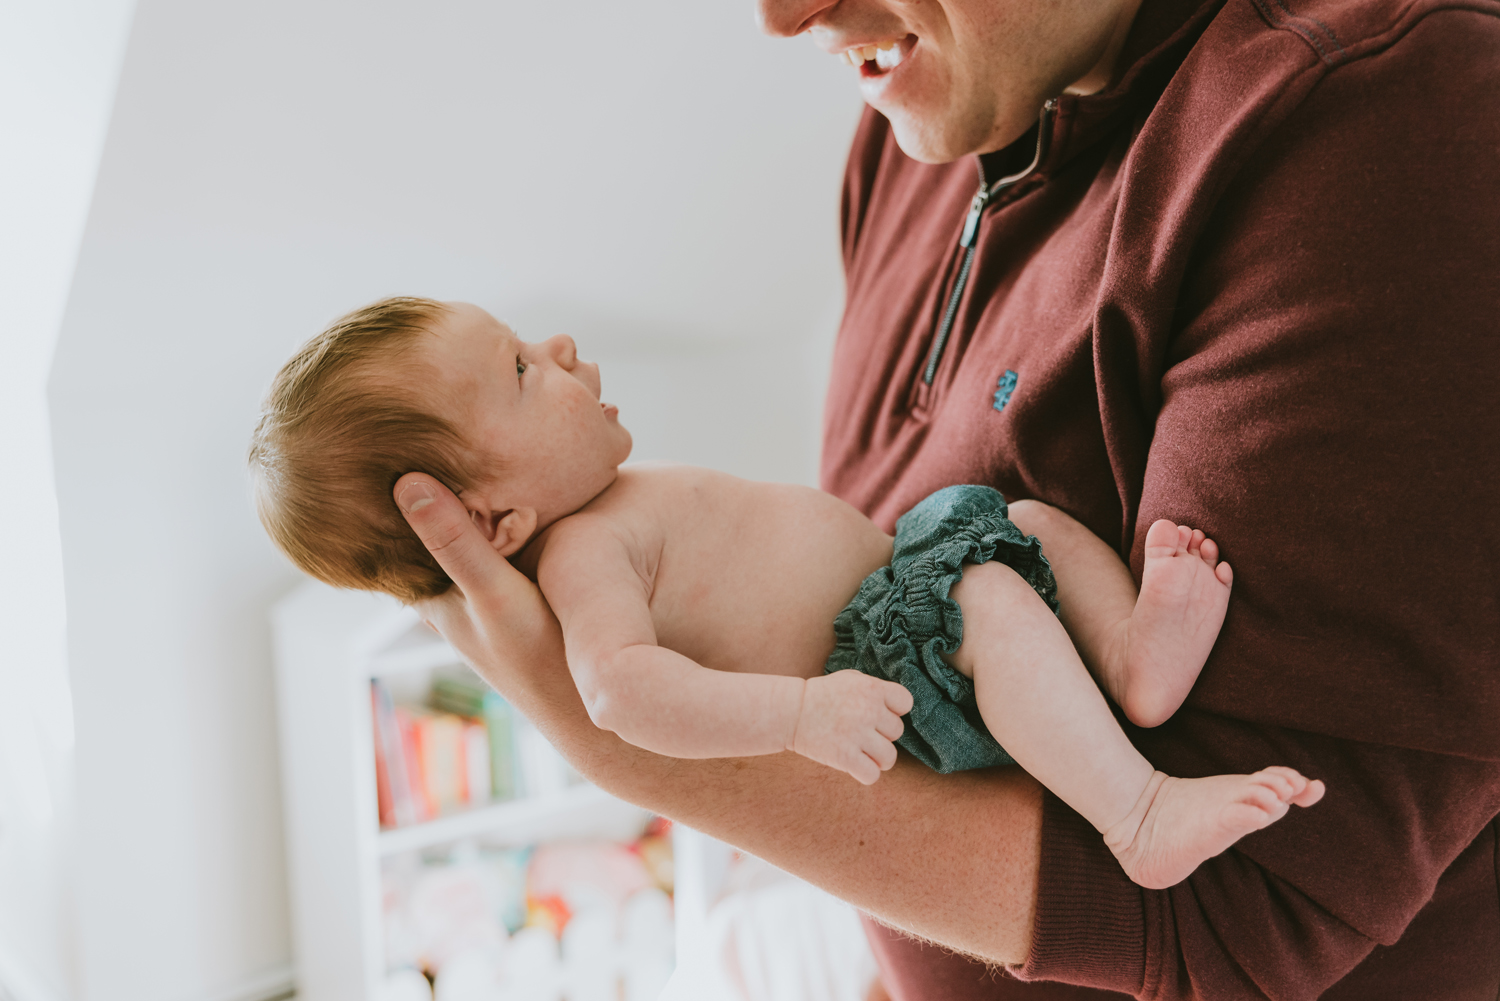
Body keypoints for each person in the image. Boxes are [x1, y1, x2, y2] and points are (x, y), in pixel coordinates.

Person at [385, 0, 1500, 996]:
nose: (781, 17)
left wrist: (628, 753)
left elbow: (1242, 913)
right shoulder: (929, 120)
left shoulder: (1385, 120)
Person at [249, 298, 1325, 890]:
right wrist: (803, 715)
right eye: (524, 370)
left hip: (914, 584)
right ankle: (1135, 809)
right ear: (493, 524)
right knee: (992, 600)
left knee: (1025, 524)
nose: (563, 345)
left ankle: (1133, 662)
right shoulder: (584, 560)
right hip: (896, 673)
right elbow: (619, 692)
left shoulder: (615, 500)